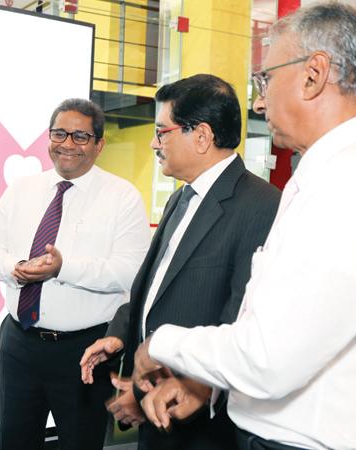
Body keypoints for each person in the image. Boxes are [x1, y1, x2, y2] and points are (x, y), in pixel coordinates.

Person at [132, 3, 356, 449]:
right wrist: (206, 384)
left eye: (265, 79)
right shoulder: (338, 175)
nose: (257, 100)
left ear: (314, 74)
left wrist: (160, 344)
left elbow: (270, 358)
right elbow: (293, 335)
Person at [80, 74, 280, 450]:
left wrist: (191, 387)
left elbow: (240, 318)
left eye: (161, 131)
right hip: (156, 404)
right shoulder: (181, 197)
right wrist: (120, 336)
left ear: (201, 136)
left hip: (201, 421)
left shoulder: (263, 206)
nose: (155, 143)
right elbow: (156, 288)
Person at [0, 98, 150, 450]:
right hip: (19, 342)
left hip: (84, 352)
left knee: (79, 442)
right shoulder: (22, 190)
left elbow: (129, 272)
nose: (68, 144)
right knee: (12, 440)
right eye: (59, 133)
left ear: (99, 144)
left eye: (81, 136)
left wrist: (63, 268)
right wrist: (17, 270)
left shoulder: (122, 198)